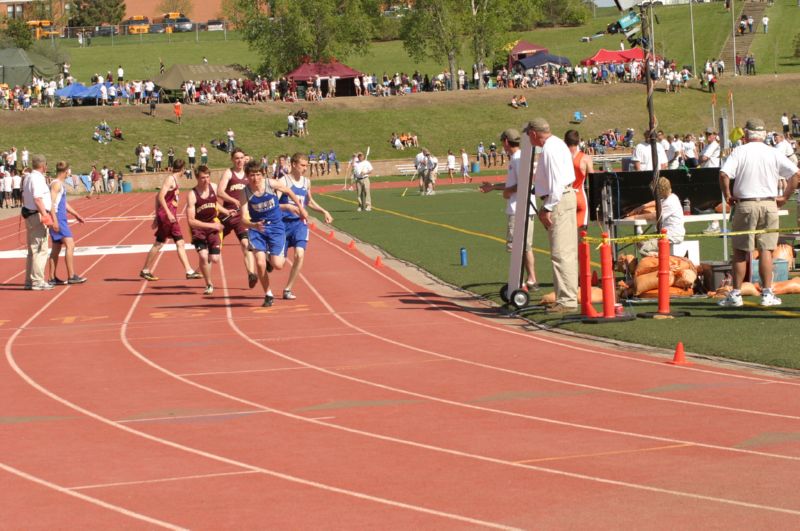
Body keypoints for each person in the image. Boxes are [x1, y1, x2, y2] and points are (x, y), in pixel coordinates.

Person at [718, 118, 800, 308]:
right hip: (769, 203)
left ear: (746, 134)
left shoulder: (739, 151)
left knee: (740, 251)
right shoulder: (773, 152)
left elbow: (724, 174)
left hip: (745, 204)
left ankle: (736, 293)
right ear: (764, 135)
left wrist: (728, 195)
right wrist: (785, 197)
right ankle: (767, 292)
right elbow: (796, 174)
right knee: (766, 251)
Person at [525, 118, 578, 313]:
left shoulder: (549, 149)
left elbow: (556, 184)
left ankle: (567, 300)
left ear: (533, 133)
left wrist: (547, 207)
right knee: (566, 252)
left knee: (561, 253)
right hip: (564, 198)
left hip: (559, 199)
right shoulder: (557, 144)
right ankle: (566, 297)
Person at [240, 160, 307, 307]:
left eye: (258, 175)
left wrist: (300, 209)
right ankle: (268, 294)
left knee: (278, 265)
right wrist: (253, 225)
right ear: (247, 176)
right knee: (259, 262)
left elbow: (289, 191)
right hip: (258, 229)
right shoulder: (245, 193)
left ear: (262, 175)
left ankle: (271, 259)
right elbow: (243, 218)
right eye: (252, 175)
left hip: (276, 228)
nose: (255, 178)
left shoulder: (271, 184)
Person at [479, 128, 538, 290]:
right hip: (524, 208)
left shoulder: (518, 159)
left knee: (516, 247)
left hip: (518, 210)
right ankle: (531, 279)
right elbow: (514, 184)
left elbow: (524, 184)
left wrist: (508, 192)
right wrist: (493, 187)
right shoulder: (519, 158)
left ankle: (519, 282)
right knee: (525, 246)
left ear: (506, 141)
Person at [279, 152, 333, 300]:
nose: (305, 168)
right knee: (279, 263)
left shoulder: (306, 182)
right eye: (302, 165)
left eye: (306, 166)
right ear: (294, 165)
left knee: (299, 254)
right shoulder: (284, 181)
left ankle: (288, 289)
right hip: (283, 224)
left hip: (299, 224)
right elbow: (275, 205)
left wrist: (324, 211)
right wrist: (289, 208)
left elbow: (309, 201)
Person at [139, 160, 202, 282]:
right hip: (168, 217)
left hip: (169, 216)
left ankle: (188, 271)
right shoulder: (170, 179)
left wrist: (157, 217)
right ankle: (145, 270)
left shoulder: (174, 180)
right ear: (183, 169)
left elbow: (158, 197)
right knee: (160, 243)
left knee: (178, 242)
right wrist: (165, 213)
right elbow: (160, 196)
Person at [216, 148, 258, 288]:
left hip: (242, 216)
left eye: (241, 158)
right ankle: (201, 269)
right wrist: (234, 201)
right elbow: (220, 192)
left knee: (246, 244)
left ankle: (251, 274)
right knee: (213, 247)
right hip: (227, 214)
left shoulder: (249, 174)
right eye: (237, 158)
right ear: (232, 160)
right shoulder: (229, 173)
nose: (240, 160)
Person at [187, 165, 228, 295]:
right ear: (197, 178)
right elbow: (191, 221)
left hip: (212, 226)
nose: (206, 180)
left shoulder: (214, 188)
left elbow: (214, 203)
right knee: (204, 256)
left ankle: (204, 263)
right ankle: (209, 284)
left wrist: (226, 211)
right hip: (199, 229)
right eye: (203, 178)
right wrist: (213, 226)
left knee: (214, 258)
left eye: (208, 177)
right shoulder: (192, 195)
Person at [47, 161, 87, 285]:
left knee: (56, 248)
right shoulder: (56, 184)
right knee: (70, 245)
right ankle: (71, 276)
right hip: (58, 218)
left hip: (59, 217)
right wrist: (54, 220)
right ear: (66, 171)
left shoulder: (58, 184)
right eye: (69, 171)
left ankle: (52, 277)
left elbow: (63, 203)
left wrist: (76, 214)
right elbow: (51, 203)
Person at [22, 154, 53, 291]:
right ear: (43, 166)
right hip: (37, 215)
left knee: (32, 250)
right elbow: (38, 199)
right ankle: (37, 280)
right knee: (41, 249)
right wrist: (46, 215)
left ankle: (30, 280)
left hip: (30, 214)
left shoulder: (28, 177)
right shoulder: (37, 179)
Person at [636, 177, 685, 256]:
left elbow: (655, 216)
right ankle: (655, 259)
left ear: (660, 191)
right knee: (639, 242)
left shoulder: (670, 202)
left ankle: (661, 259)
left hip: (671, 235)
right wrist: (643, 206)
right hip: (664, 233)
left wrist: (635, 217)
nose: (653, 193)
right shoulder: (671, 197)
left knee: (644, 250)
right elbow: (656, 202)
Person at [564, 130, 592, 230]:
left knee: (565, 234)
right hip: (579, 195)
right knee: (581, 235)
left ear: (565, 141)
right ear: (579, 141)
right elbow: (593, 180)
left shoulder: (560, 157)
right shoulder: (585, 158)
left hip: (564, 197)